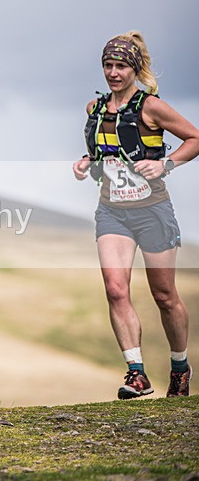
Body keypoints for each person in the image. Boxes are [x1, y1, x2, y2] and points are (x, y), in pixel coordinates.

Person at [73, 30, 199, 399]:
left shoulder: (151, 107)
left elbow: (195, 138)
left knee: (164, 295)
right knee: (115, 289)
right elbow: (104, 155)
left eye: (121, 66)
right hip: (112, 211)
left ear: (135, 68)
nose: (113, 72)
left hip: (153, 211)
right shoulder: (94, 110)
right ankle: (137, 375)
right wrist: (87, 164)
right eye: (108, 65)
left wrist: (167, 165)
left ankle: (179, 367)